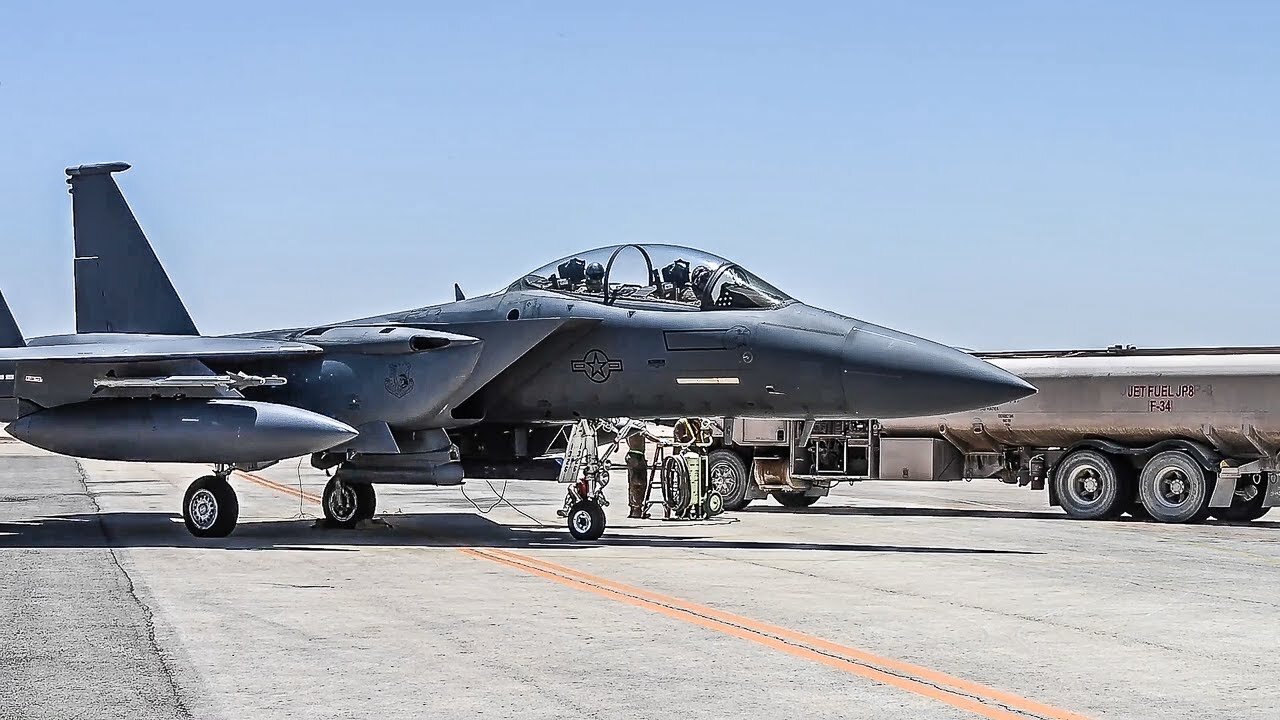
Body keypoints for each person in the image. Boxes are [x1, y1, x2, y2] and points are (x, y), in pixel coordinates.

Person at [625, 429, 649, 518]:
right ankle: (636, 509)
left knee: (634, 483)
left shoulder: (629, 426)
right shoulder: (636, 424)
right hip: (636, 456)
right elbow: (646, 434)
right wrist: (659, 440)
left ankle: (635, 508)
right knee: (638, 483)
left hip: (635, 455)